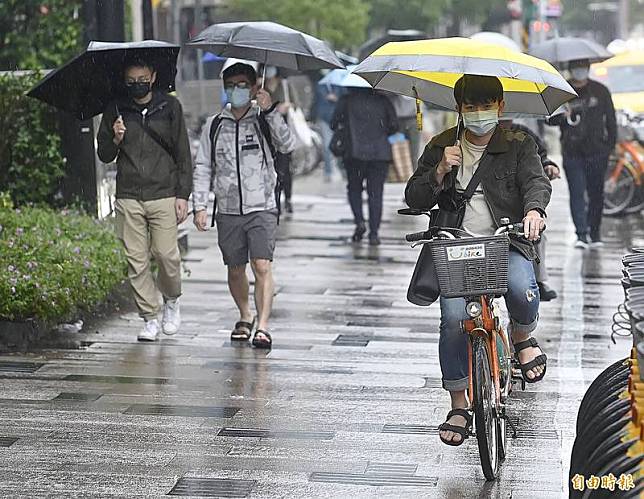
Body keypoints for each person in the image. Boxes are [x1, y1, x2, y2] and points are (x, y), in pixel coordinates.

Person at [405, 75, 551, 446]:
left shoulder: (519, 143)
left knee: (522, 287)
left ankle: (521, 337)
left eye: (485, 106)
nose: (478, 114)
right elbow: (416, 196)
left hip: (507, 242)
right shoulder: (442, 144)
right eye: (470, 107)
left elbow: (536, 182)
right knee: (454, 320)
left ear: (500, 108)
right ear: (459, 110)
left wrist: (534, 211)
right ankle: (458, 402)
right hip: (455, 246)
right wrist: (439, 170)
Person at [192, 62, 295, 349]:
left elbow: (287, 145)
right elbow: (202, 166)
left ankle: (262, 325)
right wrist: (199, 205)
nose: (235, 91)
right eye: (230, 85)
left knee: (261, 264)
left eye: (241, 85)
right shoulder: (214, 125)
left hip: (261, 205)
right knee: (235, 268)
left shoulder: (263, 119)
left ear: (252, 87)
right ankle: (244, 315)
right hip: (227, 209)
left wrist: (270, 110)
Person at [97, 57, 192, 342]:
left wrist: (183, 194)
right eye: (130, 81)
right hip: (129, 194)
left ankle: (172, 299)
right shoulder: (115, 109)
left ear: (152, 77)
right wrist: (115, 138)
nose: (136, 84)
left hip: (163, 192)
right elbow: (104, 155)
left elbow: (183, 153)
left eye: (141, 78)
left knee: (166, 254)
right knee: (135, 261)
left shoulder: (170, 107)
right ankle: (150, 317)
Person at [548, 58, 616, 249]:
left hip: (597, 151)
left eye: (583, 66)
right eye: (576, 67)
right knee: (577, 192)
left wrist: (610, 147)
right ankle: (581, 234)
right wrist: (563, 115)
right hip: (572, 152)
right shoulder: (563, 91)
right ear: (570, 69)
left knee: (596, 193)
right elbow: (548, 120)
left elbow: (610, 120)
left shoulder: (600, 91)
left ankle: (595, 233)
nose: (580, 70)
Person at [499, 119, 560, 301]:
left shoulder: (524, 137)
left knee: (535, 233)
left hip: (516, 204)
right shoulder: (457, 140)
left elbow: (537, 170)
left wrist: (534, 211)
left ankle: (538, 281)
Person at [331, 87, 399, 246]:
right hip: (379, 154)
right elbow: (394, 125)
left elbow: (334, 123)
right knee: (376, 193)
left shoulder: (346, 100)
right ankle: (374, 233)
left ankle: (359, 221)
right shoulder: (383, 100)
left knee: (354, 188)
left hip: (354, 153)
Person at [263, 66, 296, 214]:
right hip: (266, 135)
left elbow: (295, 102)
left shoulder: (285, 85)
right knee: (272, 169)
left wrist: (287, 106)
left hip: (284, 133)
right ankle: (275, 201)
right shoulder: (261, 86)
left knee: (285, 169)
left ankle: (287, 198)